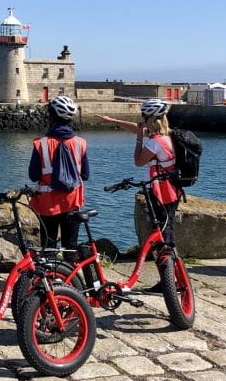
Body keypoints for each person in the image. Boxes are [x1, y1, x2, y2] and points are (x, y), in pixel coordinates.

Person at [100, 98, 179, 289]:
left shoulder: (154, 143)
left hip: (159, 192)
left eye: (144, 117)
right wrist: (112, 121)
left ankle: (169, 280)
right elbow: (137, 127)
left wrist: (138, 139)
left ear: (150, 119)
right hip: (172, 189)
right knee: (166, 233)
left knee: (162, 235)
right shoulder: (170, 136)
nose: (141, 120)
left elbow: (138, 161)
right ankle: (171, 277)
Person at [28, 96, 89, 252]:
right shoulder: (80, 143)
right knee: (71, 247)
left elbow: (33, 175)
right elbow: (86, 175)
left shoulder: (41, 143)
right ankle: (71, 273)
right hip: (72, 200)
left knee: (48, 247)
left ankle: (48, 275)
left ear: (52, 116)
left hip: (48, 203)